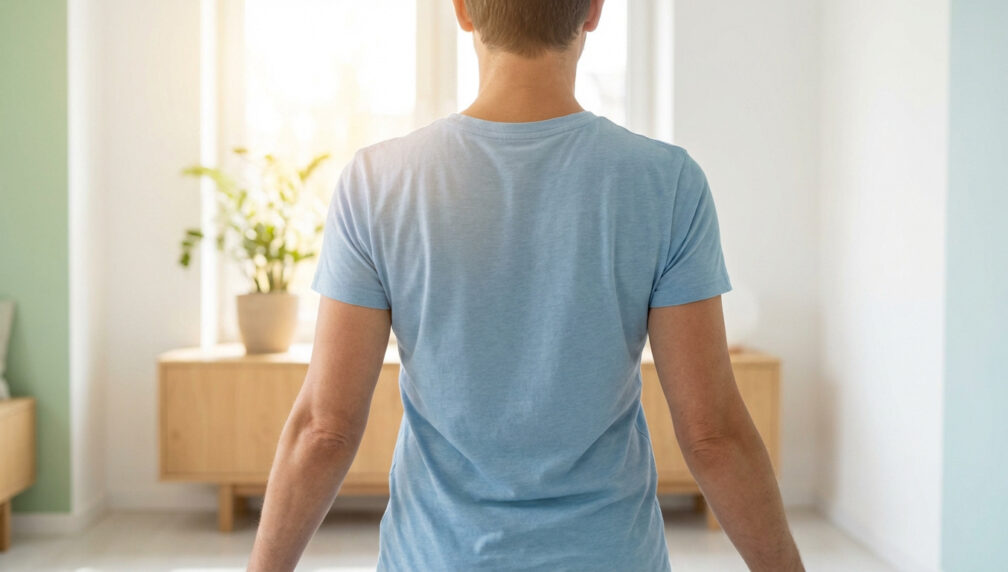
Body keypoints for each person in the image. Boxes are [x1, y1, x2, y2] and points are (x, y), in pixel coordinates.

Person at [247, 0, 805, 570]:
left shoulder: (377, 182)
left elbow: (324, 430)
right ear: (593, 11)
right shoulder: (666, 183)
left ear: (463, 10)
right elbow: (713, 436)